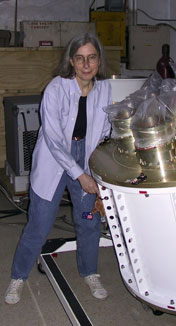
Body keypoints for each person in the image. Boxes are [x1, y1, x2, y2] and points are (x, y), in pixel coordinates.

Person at [4, 32, 112, 304]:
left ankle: (90, 272)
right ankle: (18, 276)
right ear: (71, 61)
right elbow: (53, 139)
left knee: (89, 220)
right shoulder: (55, 88)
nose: (86, 65)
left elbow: (104, 128)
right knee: (39, 223)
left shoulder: (105, 88)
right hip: (55, 159)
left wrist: (100, 161)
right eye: (80, 58)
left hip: (86, 154)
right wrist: (81, 176)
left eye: (92, 58)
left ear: (99, 60)